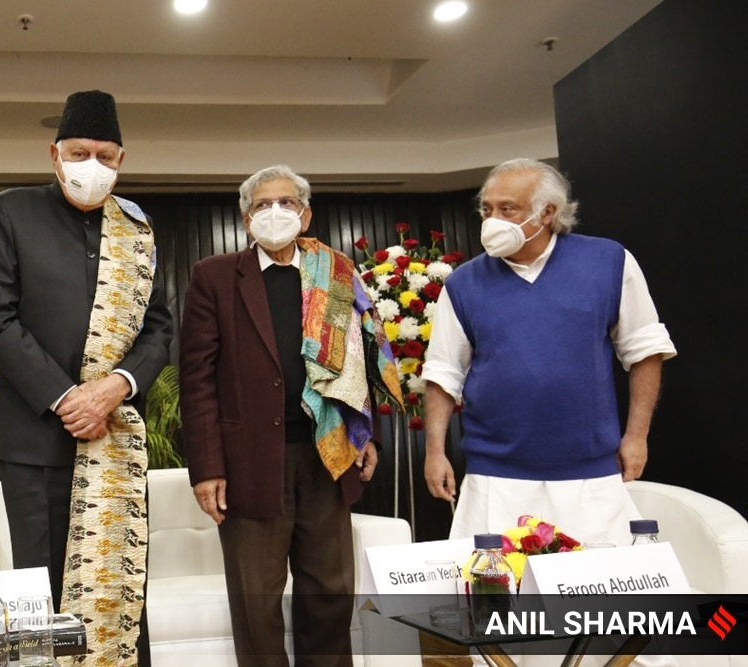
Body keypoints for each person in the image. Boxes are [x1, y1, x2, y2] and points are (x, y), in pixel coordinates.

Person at [0, 89, 172, 666]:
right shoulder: (10, 212)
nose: (93, 165)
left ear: (121, 160)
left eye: (105, 156)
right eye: (79, 152)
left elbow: (159, 326)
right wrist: (67, 398)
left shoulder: (136, 228)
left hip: (114, 437)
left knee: (120, 591)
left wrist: (115, 388)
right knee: (41, 601)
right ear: (54, 154)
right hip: (36, 442)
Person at [179, 164, 402, 667]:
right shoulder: (215, 276)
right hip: (249, 463)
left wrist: (366, 435)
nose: (274, 212)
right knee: (256, 602)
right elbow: (197, 379)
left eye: (286, 203)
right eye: (262, 205)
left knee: (329, 593)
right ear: (246, 219)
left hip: (328, 455)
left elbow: (360, 358)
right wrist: (207, 467)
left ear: (306, 216)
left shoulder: (336, 273)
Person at [421, 157, 677, 547]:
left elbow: (645, 350)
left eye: (508, 209)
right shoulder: (463, 283)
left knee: (597, 582)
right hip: (495, 475)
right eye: (487, 209)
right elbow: (443, 373)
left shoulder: (609, 262)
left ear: (547, 213)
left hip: (590, 473)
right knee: (495, 583)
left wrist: (636, 437)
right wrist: (435, 451)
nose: (492, 220)